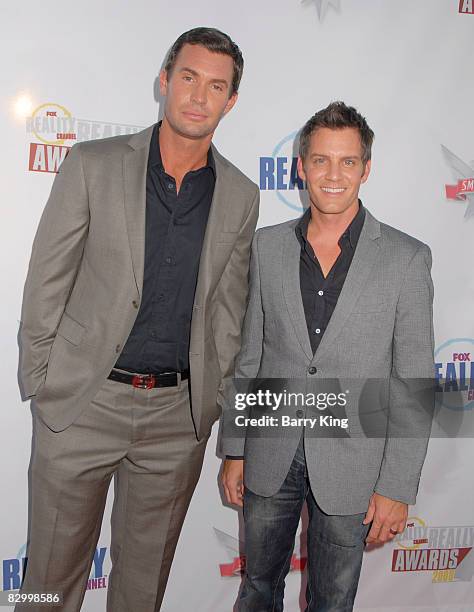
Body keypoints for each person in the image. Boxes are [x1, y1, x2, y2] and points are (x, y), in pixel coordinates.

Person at [18, 26, 259, 612]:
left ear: (231, 102)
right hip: (82, 403)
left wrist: (215, 409)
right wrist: (43, 380)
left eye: (216, 86)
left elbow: (229, 317)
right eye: (188, 77)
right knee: (49, 580)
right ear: (165, 81)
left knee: (141, 589)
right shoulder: (92, 164)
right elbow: (47, 279)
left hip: (176, 420)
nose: (199, 95)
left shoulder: (241, 195)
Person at [221, 101, 434, 611]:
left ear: (366, 167)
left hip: (354, 462)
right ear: (301, 166)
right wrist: (234, 447)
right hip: (270, 451)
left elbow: (412, 383)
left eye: (346, 161)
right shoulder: (267, 247)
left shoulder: (407, 258)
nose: (332, 175)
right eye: (320, 160)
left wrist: (397, 486)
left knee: (332, 601)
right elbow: (251, 356)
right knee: (257, 589)